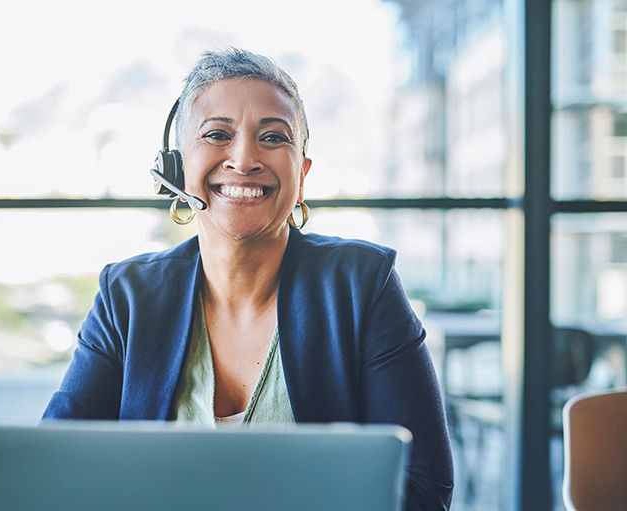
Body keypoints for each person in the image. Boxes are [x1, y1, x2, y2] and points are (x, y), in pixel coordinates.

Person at [43, 48, 454, 509]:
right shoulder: (127, 297)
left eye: (273, 138)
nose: (244, 159)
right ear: (175, 167)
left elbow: (424, 490)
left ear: (302, 174)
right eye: (218, 134)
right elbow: (51, 472)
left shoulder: (363, 286)